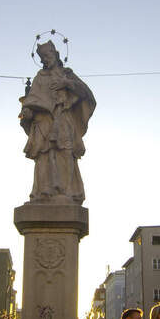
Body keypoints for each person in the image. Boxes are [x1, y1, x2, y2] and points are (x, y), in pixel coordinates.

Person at [19, 40, 95, 204]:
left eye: (48, 55)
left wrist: (67, 84)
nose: (45, 59)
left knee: (64, 154)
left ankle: (65, 192)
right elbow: (32, 99)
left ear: (55, 54)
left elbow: (86, 94)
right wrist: (28, 112)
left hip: (63, 119)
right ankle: (43, 193)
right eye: (43, 57)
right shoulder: (40, 77)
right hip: (43, 121)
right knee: (43, 155)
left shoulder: (67, 74)